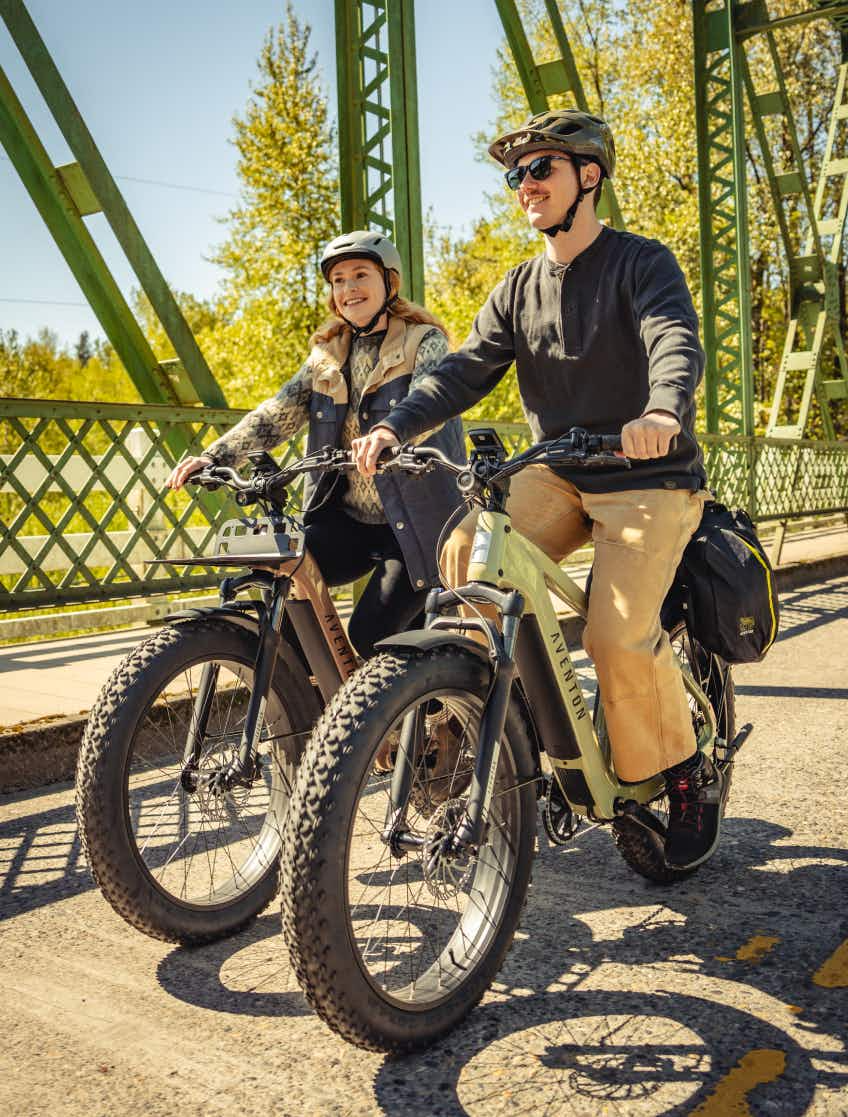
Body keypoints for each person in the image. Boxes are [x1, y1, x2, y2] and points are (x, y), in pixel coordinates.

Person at [351, 110, 722, 870]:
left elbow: (673, 340)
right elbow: (459, 371)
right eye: (515, 175)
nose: (524, 185)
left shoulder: (641, 264)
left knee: (614, 637)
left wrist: (661, 409)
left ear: (589, 176)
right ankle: (506, 717)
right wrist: (399, 424)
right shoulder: (518, 288)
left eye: (540, 169)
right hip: (559, 469)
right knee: (466, 551)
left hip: (647, 473)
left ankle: (685, 772)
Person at [167, 229, 465, 666]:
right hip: (348, 522)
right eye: (338, 281)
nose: (348, 289)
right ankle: (313, 718)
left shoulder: (424, 342)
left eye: (360, 275)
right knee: (286, 604)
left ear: (390, 283)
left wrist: (392, 433)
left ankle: (423, 721)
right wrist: (214, 456)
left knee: (372, 638)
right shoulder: (328, 355)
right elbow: (277, 413)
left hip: (419, 526)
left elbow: (430, 402)